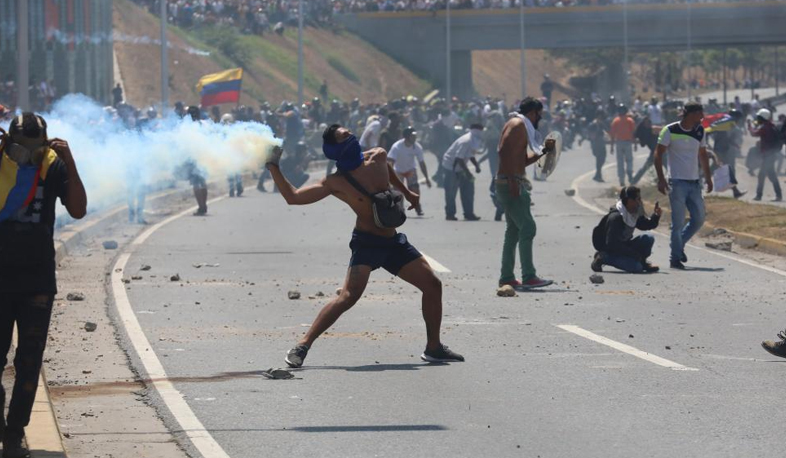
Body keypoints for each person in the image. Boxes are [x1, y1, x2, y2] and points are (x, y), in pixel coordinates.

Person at [266, 124, 464, 368]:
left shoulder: (378, 156)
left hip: (392, 242)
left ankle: (433, 348)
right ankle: (302, 345)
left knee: (432, 285)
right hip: (367, 243)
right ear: (334, 150)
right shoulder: (335, 182)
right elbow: (293, 197)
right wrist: (273, 167)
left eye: (351, 134)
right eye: (344, 138)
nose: (352, 139)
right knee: (348, 296)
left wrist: (407, 192)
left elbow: (388, 171)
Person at [0, 113, 87, 458]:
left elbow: (78, 210)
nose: (28, 154)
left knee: (29, 359)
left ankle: (15, 429)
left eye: (35, 148)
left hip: (37, 279)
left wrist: (70, 161)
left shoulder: (51, 167)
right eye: (21, 147)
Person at [495, 97, 555, 289]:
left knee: (513, 230)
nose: (540, 119)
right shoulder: (518, 124)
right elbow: (503, 151)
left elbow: (520, 160)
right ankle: (529, 276)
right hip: (510, 182)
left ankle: (507, 277)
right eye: (539, 114)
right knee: (528, 227)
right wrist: (512, 178)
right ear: (532, 113)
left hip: (510, 180)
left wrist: (544, 151)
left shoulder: (519, 124)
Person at [654, 101, 713, 270]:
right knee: (677, 222)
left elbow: (702, 154)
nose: (702, 117)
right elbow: (658, 154)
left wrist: (708, 178)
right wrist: (661, 179)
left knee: (699, 218)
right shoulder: (670, 130)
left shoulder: (699, 131)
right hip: (677, 183)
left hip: (694, 183)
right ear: (691, 114)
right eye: (700, 114)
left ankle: (678, 247)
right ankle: (675, 258)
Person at [591, 186, 661, 274]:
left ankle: (643, 262)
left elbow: (643, 225)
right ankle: (603, 258)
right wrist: (633, 254)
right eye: (637, 199)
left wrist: (656, 216)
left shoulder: (633, 211)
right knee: (636, 267)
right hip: (612, 250)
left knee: (648, 238)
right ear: (629, 200)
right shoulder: (616, 217)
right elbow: (612, 244)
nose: (639, 202)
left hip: (624, 245)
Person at [441, 124, 484, 221]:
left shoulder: (475, 140)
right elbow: (459, 158)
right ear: (476, 130)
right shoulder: (466, 140)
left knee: (468, 189)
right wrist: (468, 173)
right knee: (451, 192)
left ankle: (469, 213)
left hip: (460, 167)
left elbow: (470, 155)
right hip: (451, 167)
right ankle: (450, 214)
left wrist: (476, 165)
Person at [388, 126, 431, 216]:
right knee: (398, 191)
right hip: (398, 170)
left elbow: (422, 163)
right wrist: (390, 177)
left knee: (415, 189)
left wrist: (427, 178)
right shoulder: (397, 147)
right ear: (407, 137)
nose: (415, 138)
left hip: (410, 170)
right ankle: (400, 209)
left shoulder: (417, 147)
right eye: (413, 136)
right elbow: (391, 162)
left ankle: (417, 206)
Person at [748, 109, 782, 202]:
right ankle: (778, 195)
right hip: (771, 155)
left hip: (768, 156)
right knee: (771, 176)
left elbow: (754, 133)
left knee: (762, 175)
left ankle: (759, 195)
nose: (758, 119)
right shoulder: (771, 126)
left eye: (759, 117)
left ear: (763, 118)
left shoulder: (765, 127)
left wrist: (750, 127)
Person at [610, 104, 636, 187]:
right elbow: (633, 133)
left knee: (620, 162)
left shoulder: (615, 121)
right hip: (628, 142)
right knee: (629, 160)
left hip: (619, 143)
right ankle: (629, 171)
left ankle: (621, 180)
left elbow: (612, 135)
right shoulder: (630, 120)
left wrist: (611, 147)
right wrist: (635, 144)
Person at [587, 111, 608, 183]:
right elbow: (590, 134)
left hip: (600, 143)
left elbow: (606, 130)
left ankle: (598, 174)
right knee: (599, 159)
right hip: (597, 143)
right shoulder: (594, 124)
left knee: (602, 159)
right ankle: (598, 175)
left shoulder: (600, 123)